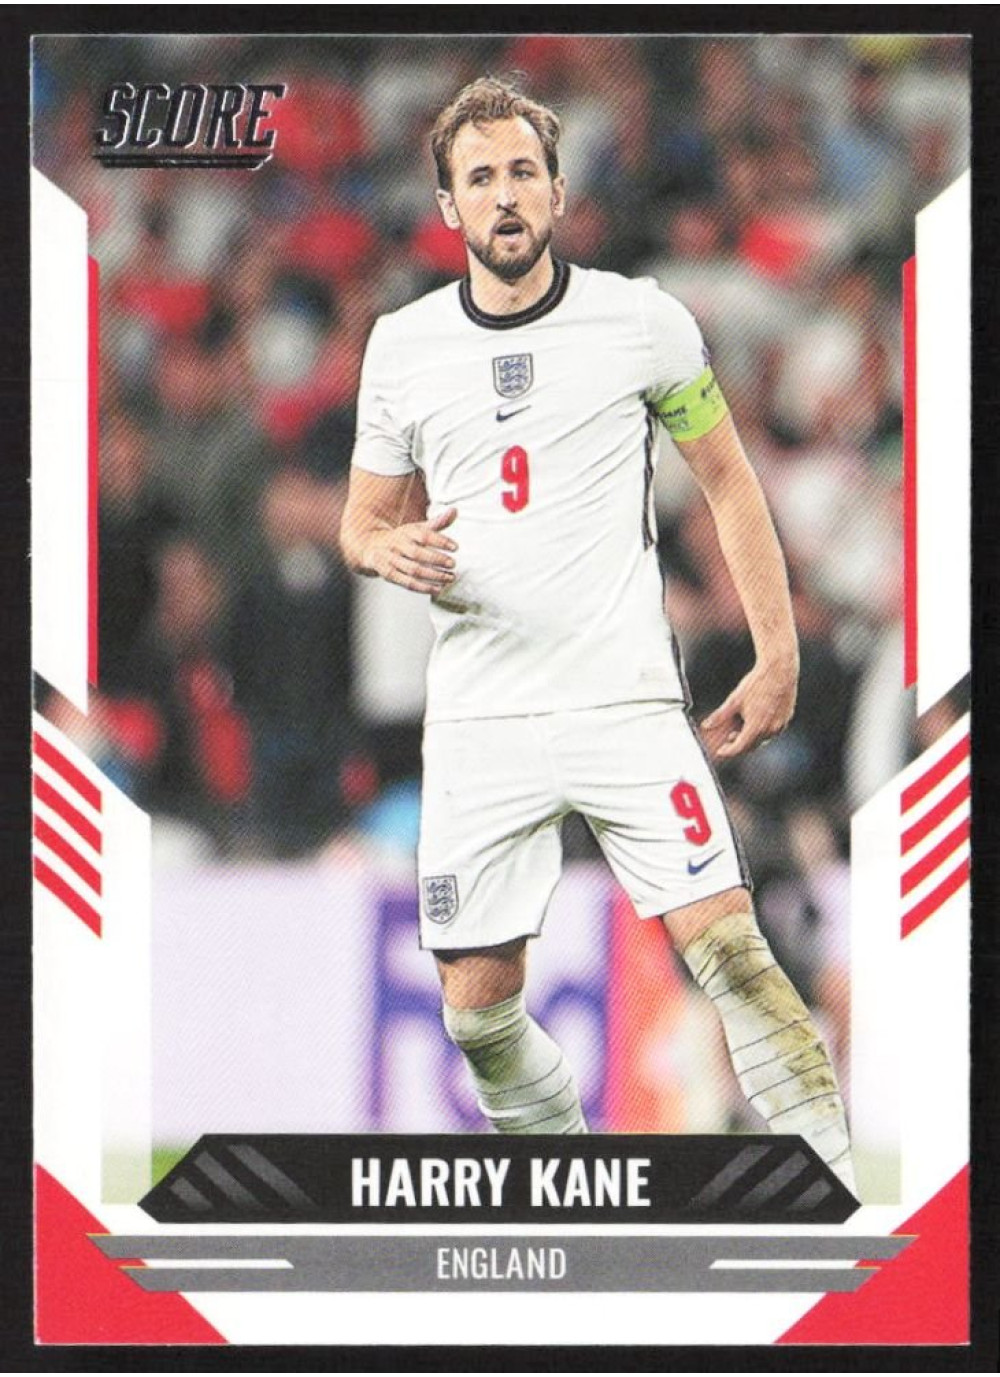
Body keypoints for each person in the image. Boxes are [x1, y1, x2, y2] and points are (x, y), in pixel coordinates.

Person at [341, 77, 855, 1193]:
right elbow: (359, 521)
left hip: (624, 701)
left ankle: (832, 1200)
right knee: (477, 1017)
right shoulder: (402, 345)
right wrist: (384, 548)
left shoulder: (642, 321)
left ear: (560, 191)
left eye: (523, 171)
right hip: (480, 717)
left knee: (731, 949)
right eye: (481, 177)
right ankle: (573, 1201)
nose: (505, 194)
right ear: (448, 206)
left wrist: (777, 651)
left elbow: (729, 481)